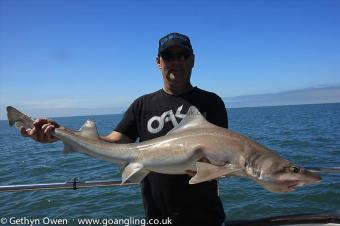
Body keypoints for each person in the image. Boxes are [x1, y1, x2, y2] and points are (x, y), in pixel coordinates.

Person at [21, 32, 228, 226]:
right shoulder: (142, 105)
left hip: (206, 216)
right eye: (168, 55)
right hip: (158, 217)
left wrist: (215, 167)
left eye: (183, 55)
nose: (176, 61)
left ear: (192, 60)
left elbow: (224, 156)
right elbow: (113, 142)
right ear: (158, 62)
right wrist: (62, 133)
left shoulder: (211, 103)